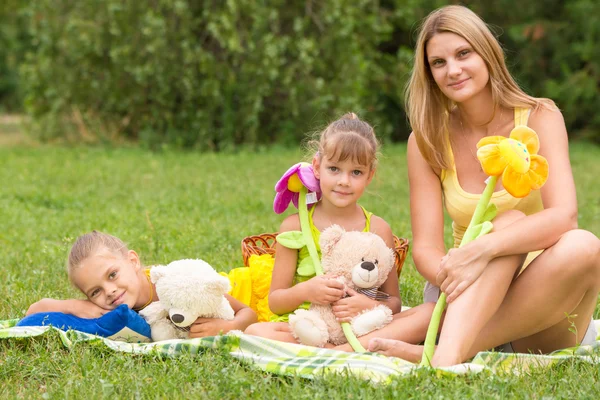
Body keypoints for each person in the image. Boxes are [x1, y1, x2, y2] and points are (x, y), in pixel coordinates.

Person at [364, 5, 600, 366]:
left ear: (486, 52)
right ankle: (449, 352)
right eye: (438, 62)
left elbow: (564, 216)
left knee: (582, 244)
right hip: (467, 296)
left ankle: (443, 354)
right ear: (429, 73)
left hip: (545, 311)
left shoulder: (541, 116)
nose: (453, 70)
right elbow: (426, 250)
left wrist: (484, 249)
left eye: (463, 54)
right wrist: (461, 268)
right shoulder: (425, 140)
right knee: (505, 221)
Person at [245, 113, 434, 345]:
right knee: (256, 332)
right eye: (334, 169)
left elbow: (393, 301)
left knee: (430, 313)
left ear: (370, 175)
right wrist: (306, 291)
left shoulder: (377, 228)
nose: (344, 181)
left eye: (356, 172)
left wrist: (369, 305)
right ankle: (346, 349)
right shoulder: (294, 226)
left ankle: (339, 349)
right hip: (306, 328)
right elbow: (275, 301)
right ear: (317, 167)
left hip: (361, 326)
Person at [26, 231, 257, 338]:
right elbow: (33, 312)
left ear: (133, 261)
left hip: (233, 287)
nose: (109, 291)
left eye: (112, 274)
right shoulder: (107, 305)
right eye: (95, 291)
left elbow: (249, 313)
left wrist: (229, 327)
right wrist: (75, 306)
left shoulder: (173, 284)